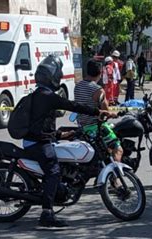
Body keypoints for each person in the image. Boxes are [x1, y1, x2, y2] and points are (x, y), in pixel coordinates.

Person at [23, 55, 115, 227]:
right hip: (38, 143)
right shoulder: (48, 96)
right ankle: (47, 214)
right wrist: (97, 112)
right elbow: (73, 106)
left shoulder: (38, 94)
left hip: (37, 139)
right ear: (52, 77)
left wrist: (59, 135)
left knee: (59, 160)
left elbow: (41, 123)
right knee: (53, 171)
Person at [74, 59, 123, 163]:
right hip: (96, 127)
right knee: (118, 149)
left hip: (82, 127)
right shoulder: (98, 90)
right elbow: (105, 110)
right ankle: (115, 177)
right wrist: (113, 114)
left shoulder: (77, 86)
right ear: (100, 73)